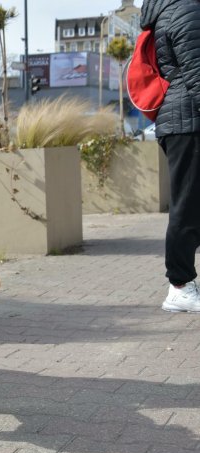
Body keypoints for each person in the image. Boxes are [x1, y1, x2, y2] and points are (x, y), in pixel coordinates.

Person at [140, 0, 200, 313]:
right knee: (187, 206)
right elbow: (196, 70)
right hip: (188, 121)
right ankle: (179, 286)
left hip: (184, 119)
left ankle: (183, 282)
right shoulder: (187, 9)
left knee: (191, 204)